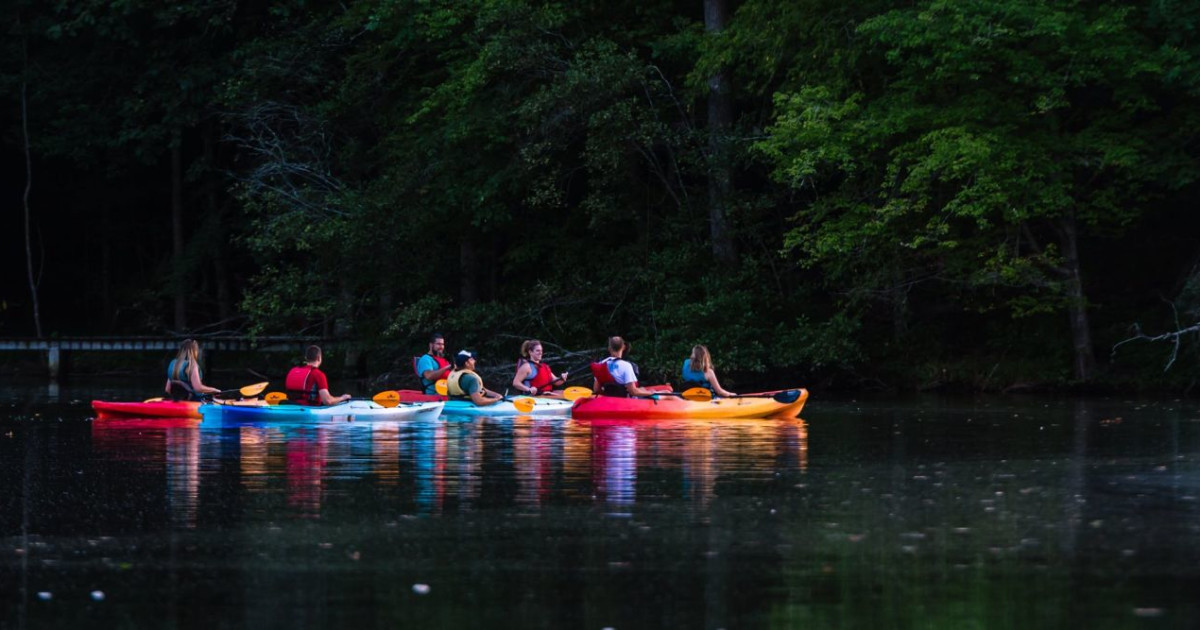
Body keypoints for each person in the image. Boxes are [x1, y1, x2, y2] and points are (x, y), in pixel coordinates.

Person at [590, 336, 661, 398]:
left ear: (609, 348)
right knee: (666, 392)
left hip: (609, 400)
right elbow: (633, 391)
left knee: (642, 389)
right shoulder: (626, 366)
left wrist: (608, 394)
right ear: (623, 347)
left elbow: (596, 389)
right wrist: (651, 393)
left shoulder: (600, 364)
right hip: (626, 402)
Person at [285, 345, 352, 406]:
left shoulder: (294, 370)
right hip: (309, 410)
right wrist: (343, 398)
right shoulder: (318, 374)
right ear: (319, 358)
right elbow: (328, 401)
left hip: (291, 405)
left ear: (306, 358)